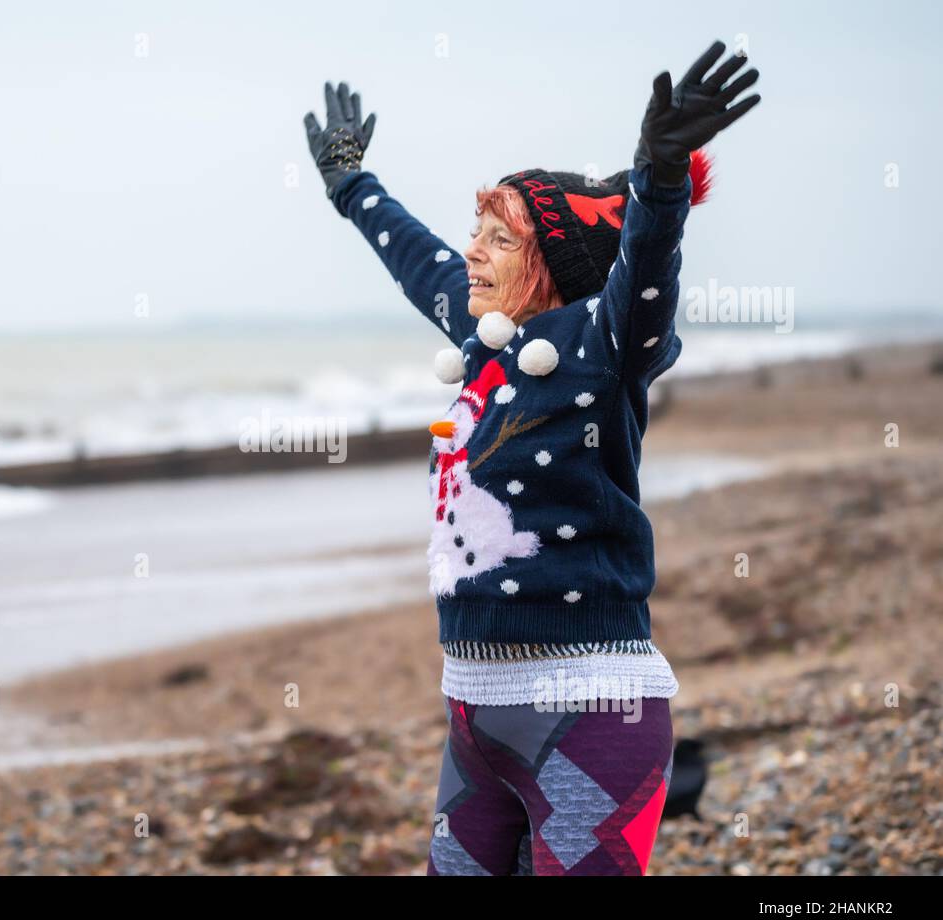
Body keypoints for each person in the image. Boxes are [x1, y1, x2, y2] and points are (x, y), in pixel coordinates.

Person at [303, 41, 760, 875]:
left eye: (497, 240)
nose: (470, 252)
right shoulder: (486, 339)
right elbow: (418, 261)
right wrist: (351, 187)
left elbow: (644, 269)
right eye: (474, 234)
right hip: (473, 719)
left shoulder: (602, 345)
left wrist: (661, 180)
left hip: (592, 712)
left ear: (551, 265)